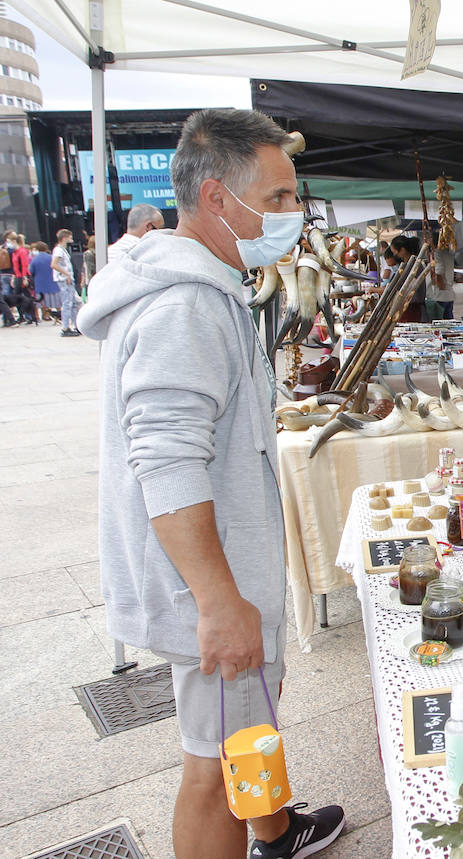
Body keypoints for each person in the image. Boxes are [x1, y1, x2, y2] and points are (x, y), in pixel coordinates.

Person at [78, 108, 345, 859]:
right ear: (220, 200)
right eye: (281, 196)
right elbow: (165, 460)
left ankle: (275, 828)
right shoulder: (187, 302)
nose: (295, 213)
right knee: (215, 762)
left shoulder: (205, 282)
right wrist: (220, 601)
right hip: (210, 578)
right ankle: (254, 827)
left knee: (246, 729)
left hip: (223, 567)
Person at [51, 229, 80, 336]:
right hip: (64, 280)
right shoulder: (59, 250)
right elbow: (54, 264)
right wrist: (66, 274)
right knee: (67, 303)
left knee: (72, 303)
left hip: (66, 279)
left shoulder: (62, 250)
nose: (71, 239)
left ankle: (75, 325)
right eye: (69, 237)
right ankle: (65, 327)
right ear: (64, 238)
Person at [28, 240, 59, 323]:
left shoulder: (35, 259)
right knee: (56, 300)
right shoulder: (51, 257)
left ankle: (44, 315)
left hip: (40, 283)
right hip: (52, 282)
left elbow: (31, 271)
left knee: (41, 300)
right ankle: (59, 315)